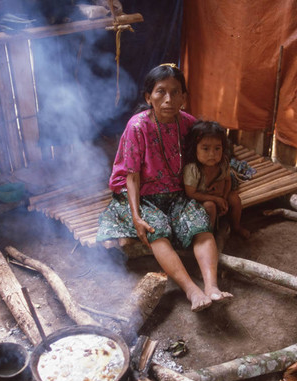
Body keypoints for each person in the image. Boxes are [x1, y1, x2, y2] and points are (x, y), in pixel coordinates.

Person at [96, 64, 232, 311]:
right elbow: (132, 176)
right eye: (160, 92)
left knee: (199, 223)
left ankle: (212, 287)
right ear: (149, 97)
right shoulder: (138, 127)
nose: (168, 99)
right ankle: (191, 290)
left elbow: (209, 150)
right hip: (140, 193)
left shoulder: (189, 124)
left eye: (175, 92)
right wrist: (136, 216)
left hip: (175, 192)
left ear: (183, 97)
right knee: (155, 229)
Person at [184, 120, 250, 239]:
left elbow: (228, 180)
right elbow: (191, 193)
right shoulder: (192, 169)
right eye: (205, 149)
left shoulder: (222, 163)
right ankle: (209, 235)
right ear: (195, 149)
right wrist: (215, 199)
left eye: (217, 149)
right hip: (198, 199)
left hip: (219, 195)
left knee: (234, 198)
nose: (212, 154)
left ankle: (236, 226)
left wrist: (223, 198)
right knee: (210, 206)